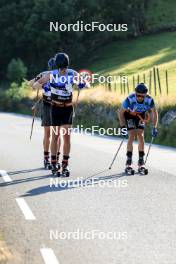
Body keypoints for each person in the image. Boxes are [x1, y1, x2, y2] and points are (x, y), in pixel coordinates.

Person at [33, 52, 87, 177]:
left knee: (64, 137)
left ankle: (64, 164)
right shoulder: (51, 74)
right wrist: (44, 85)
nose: (63, 68)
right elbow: (36, 85)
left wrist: (81, 84)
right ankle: (54, 162)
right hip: (55, 108)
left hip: (67, 108)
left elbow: (83, 83)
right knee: (56, 135)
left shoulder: (72, 73)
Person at [29, 58, 61, 169]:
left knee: (56, 134)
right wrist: (41, 84)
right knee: (48, 133)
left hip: (59, 106)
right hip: (47, 105)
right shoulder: (44, 74)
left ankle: (56, 158)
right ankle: (46, 158)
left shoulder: (63, 74)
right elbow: (31, 83)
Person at [119, 83, 158, 171]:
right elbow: (121, 113)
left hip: (141, 115)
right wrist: (122, 127)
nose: (140, 98)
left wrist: (154, 127)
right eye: (138, 96)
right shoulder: (129, 99)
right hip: (130, 115)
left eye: (142, 96)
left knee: (140, 135)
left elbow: (155, 113)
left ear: (145, 95)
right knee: (131, 135)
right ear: (135, 93)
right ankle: (129, 160)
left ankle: (141, 160)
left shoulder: (149, 99)